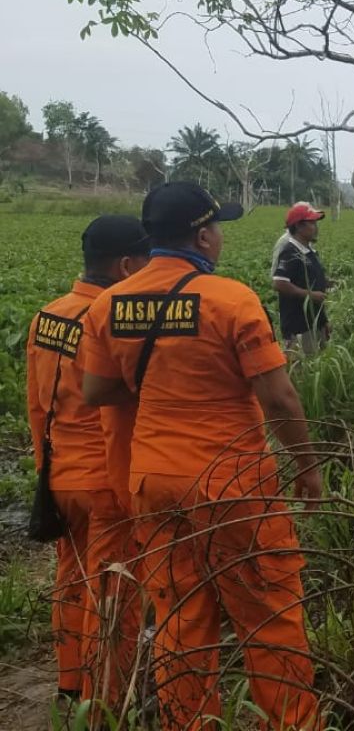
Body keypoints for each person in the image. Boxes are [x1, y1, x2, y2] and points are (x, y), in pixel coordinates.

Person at [80, 182, 323, 730]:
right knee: (269, 616)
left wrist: (163, 381)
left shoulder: (109, 304)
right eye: (217, 228)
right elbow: (279, 398)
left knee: (179, 619)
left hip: (154, 483)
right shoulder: (229, 298)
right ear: (202, 234)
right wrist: (308, 467)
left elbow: (96, 392)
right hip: (231, 483)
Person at [26, 215, 150, 709]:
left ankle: (70, 683)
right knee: (114, 589)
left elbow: (37, 405)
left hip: (60, 475)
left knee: (71, 579)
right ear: (125, 265)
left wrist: (43, 474)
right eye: (145, 261)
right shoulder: (113, 321)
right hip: (105, 481)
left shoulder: (48, 315)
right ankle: (107, 699)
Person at [273, 202, 330, 355]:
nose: (316, 227)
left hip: (314, 322)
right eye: (311, 223)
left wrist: (324, 321)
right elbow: (280, 283)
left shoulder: (309, 251)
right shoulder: (290, 251)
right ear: (298, 226)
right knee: (301, 371)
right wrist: (311, 295)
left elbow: (311, 281)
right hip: (298, 327)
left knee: (316, 366)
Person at [270, 201, 316, 276]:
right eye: (311, 222)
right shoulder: (285, 242)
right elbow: (276, 274)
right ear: (298, 225)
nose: (314, 227)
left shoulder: (306, 240)